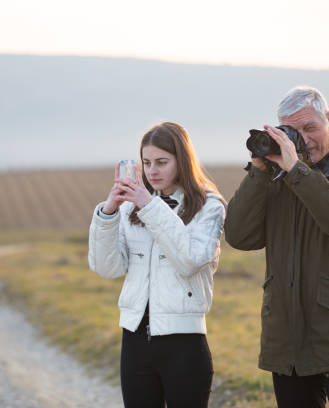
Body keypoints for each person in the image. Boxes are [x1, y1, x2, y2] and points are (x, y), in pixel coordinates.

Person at [224, 86, 329, 408]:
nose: (303, 139)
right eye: (292, 132)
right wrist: (259, 171)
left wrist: (297, 170)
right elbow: (239, 236)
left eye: (310, 127)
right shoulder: (276, 179)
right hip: (288, 340)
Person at [88, 122, 226, 408]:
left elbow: (188, 261)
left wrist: (149, 206)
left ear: (183, 160)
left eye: (162, 162)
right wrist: (109, 212)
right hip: (135, 340)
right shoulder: (130, 208)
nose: (152, 171)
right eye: (147, 162)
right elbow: (106, 268)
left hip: (184, 342)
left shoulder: (208, 206)